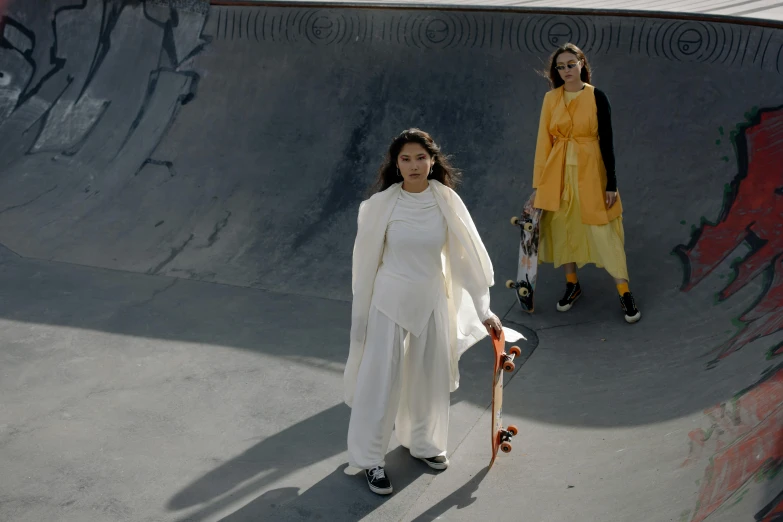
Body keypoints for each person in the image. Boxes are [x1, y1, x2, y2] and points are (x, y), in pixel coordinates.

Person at [344, 128, 524, 495]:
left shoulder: (447, 201)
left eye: (420, 157)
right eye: (406, 159)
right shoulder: (380, 206)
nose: (414, 165)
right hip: (388, 300)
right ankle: (370, 459)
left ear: (433, 160)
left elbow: (466, 258)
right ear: (396, 164)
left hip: (431, 298)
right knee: (380, 381)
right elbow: (364, 264)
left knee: (430, 377)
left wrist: (483, 309)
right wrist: (361, 316)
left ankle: (424, 444)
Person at [531, 43, 641, 323]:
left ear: (582, 63)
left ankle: (624, 290)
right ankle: (572, 283)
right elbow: (544, 143)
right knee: (562, 226)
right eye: (560, 66)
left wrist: (611, 184)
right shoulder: (550, 99)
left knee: (603, 229)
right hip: (558, 174)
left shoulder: (596, 97)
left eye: (570, 64)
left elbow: (607, 142)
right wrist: (539, 186)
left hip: (591, 172)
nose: (566, 70)